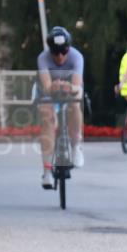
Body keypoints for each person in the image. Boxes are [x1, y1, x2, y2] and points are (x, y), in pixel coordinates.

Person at [36, 26, 85, 188]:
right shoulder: (43, 58)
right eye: (55, 52)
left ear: (68, 49)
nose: (59, 56)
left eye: (63, 52)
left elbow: (77, 87)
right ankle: (47, 171)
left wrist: (67, 87)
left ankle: (76, 146)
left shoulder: (77, 57)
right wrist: (55, 87)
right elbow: (46, 86)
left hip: (70, 89)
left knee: (75, 106)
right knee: (46, 118)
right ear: (50, 50)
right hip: (49, 92)